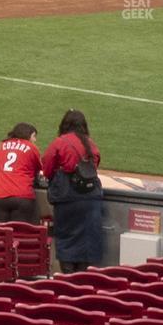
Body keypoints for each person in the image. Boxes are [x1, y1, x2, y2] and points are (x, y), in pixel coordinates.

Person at [42, 110, 104, 272]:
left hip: (67, 198)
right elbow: (94, 165)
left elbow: (47, 166)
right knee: (87, 242)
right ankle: (82, 283)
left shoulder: (60, 142)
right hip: (90, 198)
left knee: (66, 240)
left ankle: (69, 284)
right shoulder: (90, 143)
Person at [0, 123, 42, 223]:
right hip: (22, 195)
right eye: (34, 136)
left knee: (1, 234)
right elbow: (37, 169)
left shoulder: (2, 145)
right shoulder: (31, 147)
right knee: (20, 234)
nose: (35, 140)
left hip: (0, 195)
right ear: (28, 135)